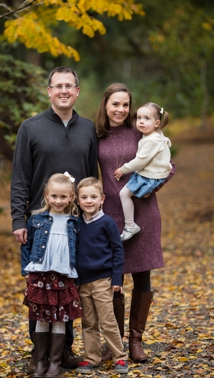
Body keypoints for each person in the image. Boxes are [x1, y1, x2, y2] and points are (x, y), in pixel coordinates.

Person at [11, 67, 99, 367]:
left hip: (76, 223)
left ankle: (64, 353)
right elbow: (19, 177)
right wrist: (18, 220)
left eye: (69, 86)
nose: (63, 91)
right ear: (48, 91)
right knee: (40, 288)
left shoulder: (87, 129)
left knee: (68, 286)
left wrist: (94, 217)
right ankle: (40, 356)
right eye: (57, 86)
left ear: (77, 91)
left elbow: (91, 180)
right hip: (40, 225)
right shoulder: (31, 128)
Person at [92, 84, 168, 363]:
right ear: (106, 105)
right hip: (109, 214)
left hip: (143, 212)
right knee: (114, 279)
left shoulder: (143, 130)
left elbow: (168, 165)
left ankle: (136, 341)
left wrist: (153, 187)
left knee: (142, 276)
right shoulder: (95, 135)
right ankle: (115, 342)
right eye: (115, 104)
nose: (121, 110)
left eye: (126, 105)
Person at [20, 173, 84, 378]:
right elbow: (26, 246)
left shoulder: (74, 222)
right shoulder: (36, 219)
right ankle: (41, 361)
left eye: (63, 197)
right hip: (40, 274)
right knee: (41, 317)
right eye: (54, 196)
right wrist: (26, 271)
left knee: (59, 318)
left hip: (63, 276)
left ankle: (55, 364)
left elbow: (80, 249)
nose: (58, 201)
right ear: (47, 195)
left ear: (71, 197)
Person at [71, 177, 128, 375]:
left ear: (102, 199)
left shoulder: (107, 223)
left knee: (107, 320)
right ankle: (91, 358)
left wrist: (116, 279)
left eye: (93, 197)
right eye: (84, 197)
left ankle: (119, 357)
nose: (89, 201)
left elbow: (118, 251)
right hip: (83, 282)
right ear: (77, 200)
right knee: (89, 322)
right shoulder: (77, 225)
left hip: (103, 280)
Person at [112, 103, 172, 241]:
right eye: (139, 118)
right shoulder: (155, 135)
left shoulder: (151, 140)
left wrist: (123, 169)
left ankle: (130, 225)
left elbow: (140, 161)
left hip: (149, 176)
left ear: (157, 123)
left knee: (124, 194)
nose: (141, 121)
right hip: (151, 174)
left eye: (146, 118)